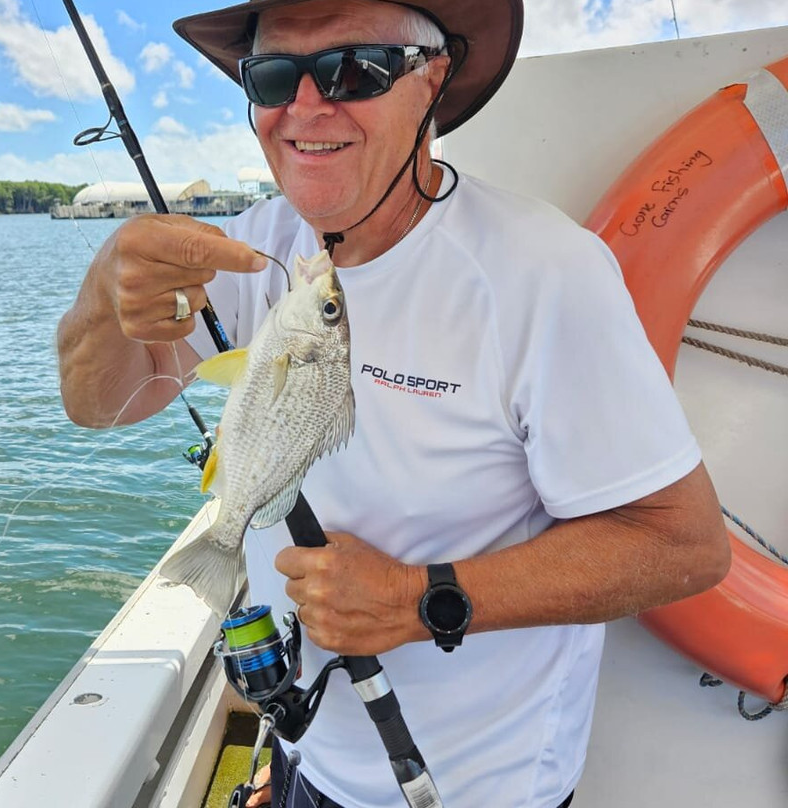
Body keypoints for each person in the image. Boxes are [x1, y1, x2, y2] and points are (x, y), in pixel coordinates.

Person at [56, 0, 730, 805]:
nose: (306, 106)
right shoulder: (248, 247)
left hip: (480, 791)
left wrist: (421, 598)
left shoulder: (543, 273)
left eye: (353, 68)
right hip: (308, 756)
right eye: (273, 76)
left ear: (432, 80)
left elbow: (686, 547)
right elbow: (95, 405)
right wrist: (103, 294)